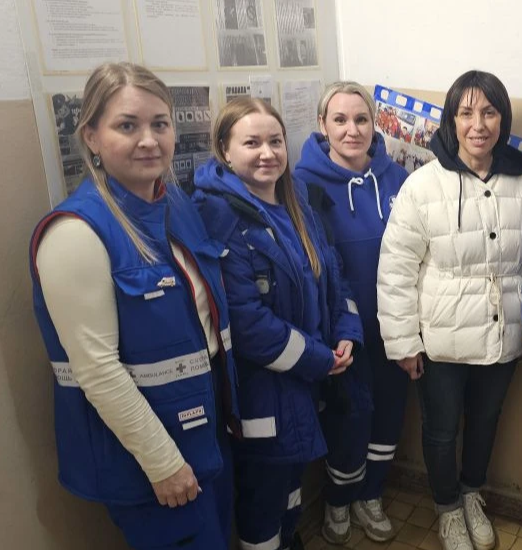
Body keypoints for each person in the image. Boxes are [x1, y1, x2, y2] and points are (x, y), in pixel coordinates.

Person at [29, 63, 239, 549]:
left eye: (159, 124)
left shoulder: (173, 204)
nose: (149, 140)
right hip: (149, 460)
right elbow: (97, 370)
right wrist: (163, 464)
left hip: (204, 431)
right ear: (92, 136)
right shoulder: (76, 232)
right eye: (127, 125)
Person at [377, 70, 522, 550]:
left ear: (503, 119)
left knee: (486, 421)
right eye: (466, 112)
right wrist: (403, 341)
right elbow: (396, 267)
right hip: (440, 337)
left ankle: (472, 494)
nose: (478, 124)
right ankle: (447, 507)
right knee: (441, 429)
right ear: (452, 120)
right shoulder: (422, 185)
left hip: (503, 332)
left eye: (489, 112)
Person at [193, 97, 365, 550]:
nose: (267, 153)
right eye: (252, 143)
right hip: (261, 390)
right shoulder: (219, 215)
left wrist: (346, 334)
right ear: (224, 150)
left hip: (303, 382)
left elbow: (333, 272)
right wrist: (320, 359)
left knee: (290, 484)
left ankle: (289, 540)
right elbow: (247, 323)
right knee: (263, 498)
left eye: (275, 141)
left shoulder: (295, 200)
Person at [293, 81, 410, 543]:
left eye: (361, 119)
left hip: (394, 328)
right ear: (322, 125)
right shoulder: (301, 184)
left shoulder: (398, 179)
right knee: (348, 420)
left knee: (388, 416)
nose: (352, 129)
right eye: (339, 120)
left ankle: (371, 495)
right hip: (342, 334)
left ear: (374, 123)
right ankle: (339, 500)